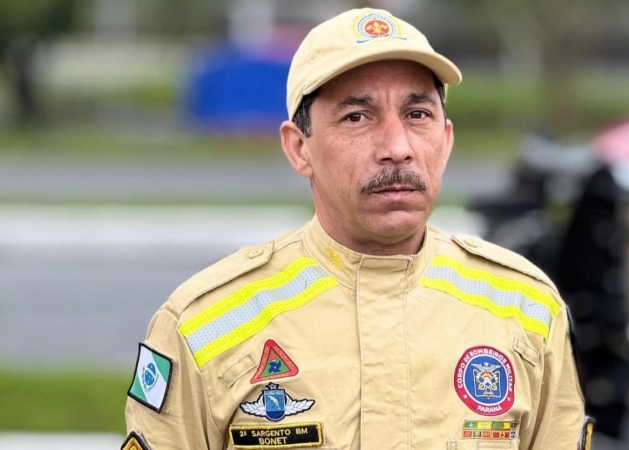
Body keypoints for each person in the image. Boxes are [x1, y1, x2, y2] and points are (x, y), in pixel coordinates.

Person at [123, 8, 590, 450]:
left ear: (445, 142)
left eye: (417, 114)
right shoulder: (204, 326)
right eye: (357, 117)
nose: (397, 147)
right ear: (299, 148)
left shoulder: (526, 309)